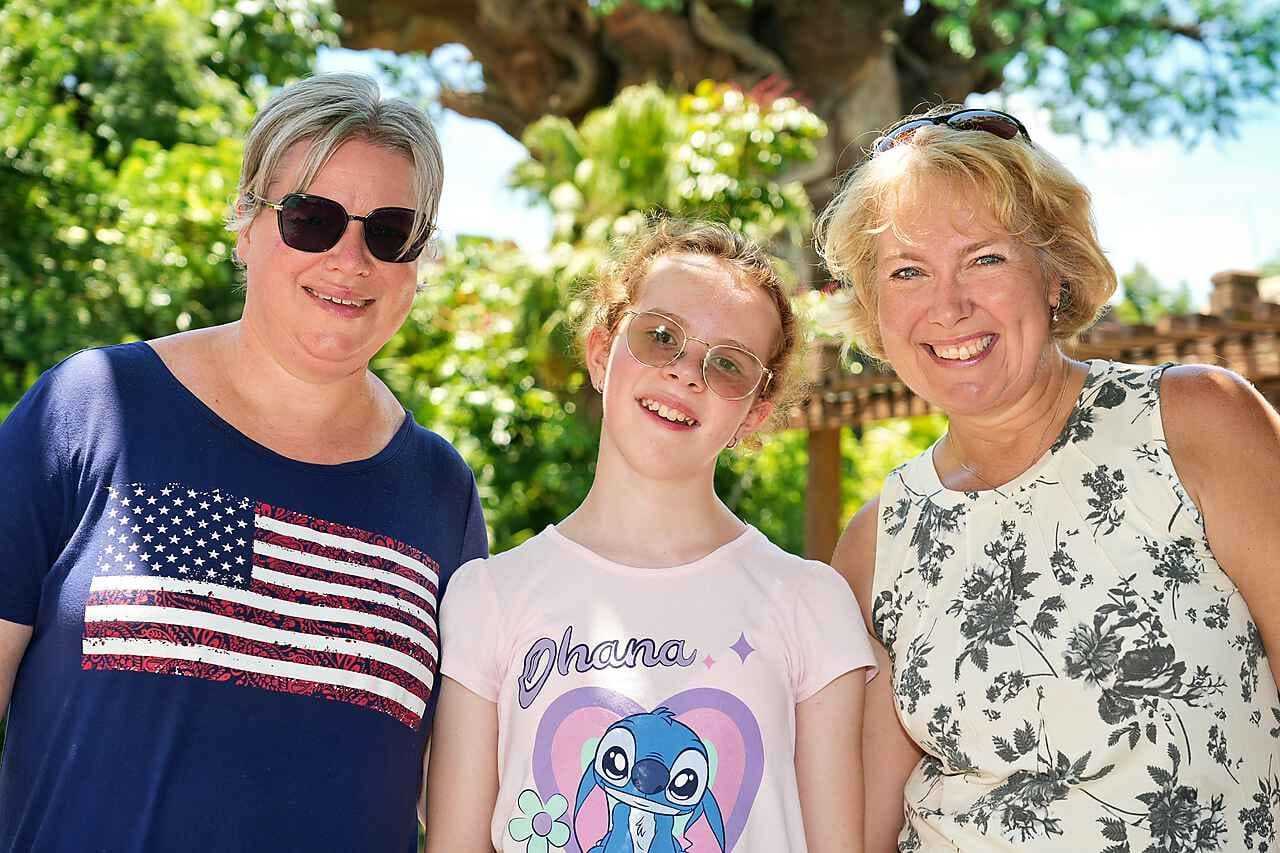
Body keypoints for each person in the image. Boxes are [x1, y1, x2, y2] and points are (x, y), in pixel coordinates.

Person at [0, 73, 486, 851]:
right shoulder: (90, 408)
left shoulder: (442, 492)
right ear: (247, 226)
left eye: (391, 232)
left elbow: (461, 802)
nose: (351, 259)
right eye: (311, 219)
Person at [815, 105, 1280, 852]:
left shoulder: (1196, 422)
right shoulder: (876, 541)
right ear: (875, 310)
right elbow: (857, 828)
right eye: (907, 271)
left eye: (984, 259)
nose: (948, 305)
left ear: (1054, 273)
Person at [423, 220, 876, 852]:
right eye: (660, 336)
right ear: (601, 351)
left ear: (755, 413)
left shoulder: (811, 604)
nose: (687, 373)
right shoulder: (489, 598)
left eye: (728, 365)